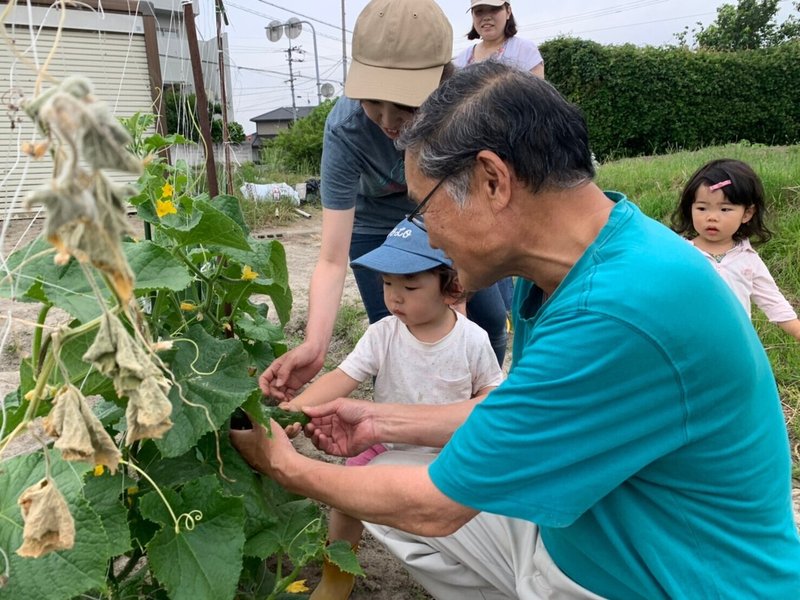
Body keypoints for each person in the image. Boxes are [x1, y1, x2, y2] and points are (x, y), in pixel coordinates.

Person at [232, 62, 800, 599]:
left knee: (409, 505)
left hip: (668, 578)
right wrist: (380, 418)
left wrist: (284, 465)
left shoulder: (618, 309)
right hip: (595, 533)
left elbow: (436, 507)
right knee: (384, 471)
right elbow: (526, 415)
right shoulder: (571, 263)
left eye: (422, 206)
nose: (423, 230)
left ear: (492, 181)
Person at [261, 0, 509, 403]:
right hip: (374, 224)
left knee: (489, 320)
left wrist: (454, 329)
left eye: (407, 105)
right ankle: (396, 432)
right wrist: (315, 345)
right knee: (396, 330)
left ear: (442, 84)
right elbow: (331, 257)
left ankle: (479, 406)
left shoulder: (464, 116)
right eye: (373, 99)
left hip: (449, 215)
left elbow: (470, 216)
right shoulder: (346, 129)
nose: (388, 120)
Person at [281, 219, 503, 599]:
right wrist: (294, 409)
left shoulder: (472, 339)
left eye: (410, 286)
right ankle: (337, 575)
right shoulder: (382, 334)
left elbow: (492, 397)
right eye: (387, 284)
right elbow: (342, 377)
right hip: (383, 442)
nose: (395, 297)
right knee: (346, 494)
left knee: (455, 516)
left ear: (450, 285)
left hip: (446, 449)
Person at [671, 158, 800, 341]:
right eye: (702, 208)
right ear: (689, 208)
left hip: (736, 345)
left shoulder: (748, 259)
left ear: (747, 213)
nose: (712, 217)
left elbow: (773, 301)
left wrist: (796, 330)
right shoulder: (679, 252)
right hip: (689, 344)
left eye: (725, 209)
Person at [454, 0, 544, 78]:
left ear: (508, 12)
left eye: (494, 9)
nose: (486, 17)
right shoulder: (462, 59)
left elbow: (538, 95)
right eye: (479, 11)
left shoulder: (525, 50)